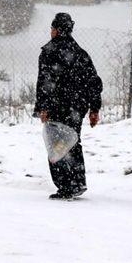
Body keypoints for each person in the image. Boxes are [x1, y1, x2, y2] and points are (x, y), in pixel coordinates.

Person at [34, 13, 103, 200]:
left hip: (57, 106)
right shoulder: (80, 53)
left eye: (52, 28)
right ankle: (77, 182)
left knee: (57, 146)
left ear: (56, 30)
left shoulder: (49, 52)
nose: (51, 31)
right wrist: (94, 109)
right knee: (73, 142)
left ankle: (66, 186)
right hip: (77, 108)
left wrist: (43, 107)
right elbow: (94, 83)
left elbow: (46, 83)